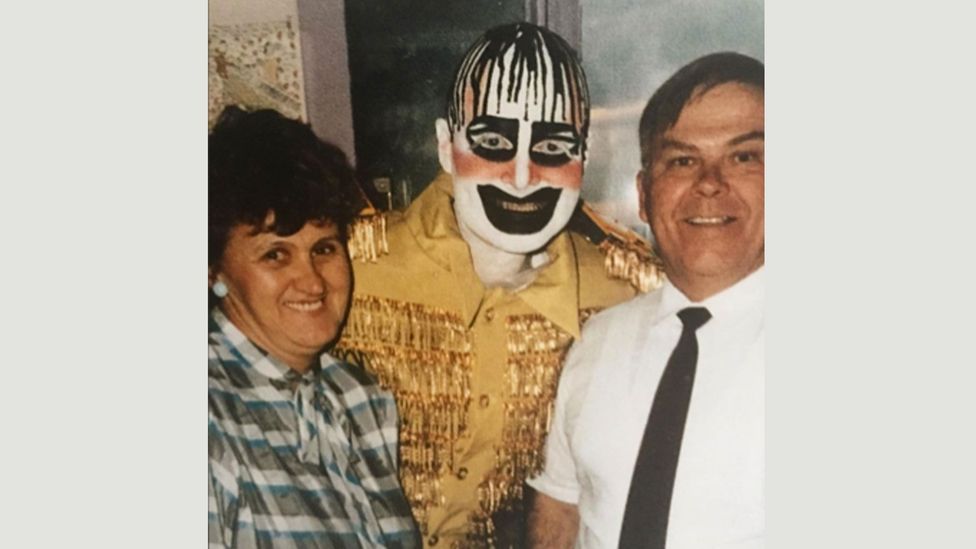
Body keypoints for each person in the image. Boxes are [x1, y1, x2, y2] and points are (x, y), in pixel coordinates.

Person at [334, 23, 660, 548]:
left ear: (584, 156)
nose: (523, 176)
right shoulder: (342, 268)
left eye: (553, 146)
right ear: (446, 144)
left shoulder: (633, 294)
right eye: (492, 142)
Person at [527, 52, 765, 548]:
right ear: (643, 194)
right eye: (681, 160)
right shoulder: (598, 340)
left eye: (745, 157)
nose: (708, 183)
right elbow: (561, 508)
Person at [207, 106, 420, 548]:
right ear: (213, 270)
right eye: (275, 255)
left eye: (324, 249)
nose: (311, 282)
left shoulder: (358, 400)